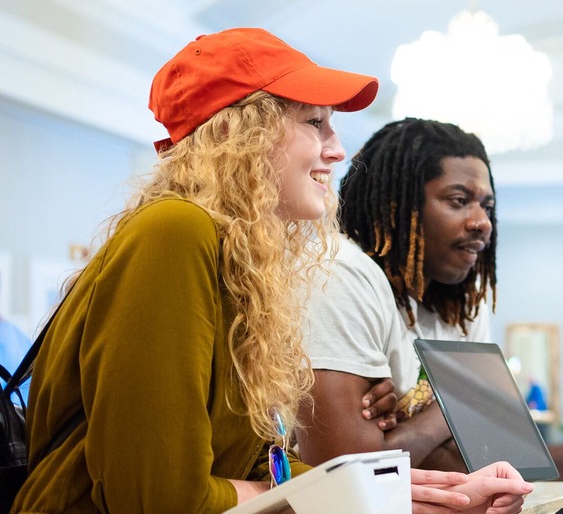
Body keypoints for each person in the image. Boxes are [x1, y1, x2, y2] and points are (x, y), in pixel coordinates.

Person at [14, 29, 531, 514]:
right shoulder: (174, 230)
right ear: (242, 131)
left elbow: (243, 472)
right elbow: (158, 498)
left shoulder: (241, 264)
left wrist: (408, 496)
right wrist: (331, 493)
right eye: (315, 123)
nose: (337, 148)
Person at [299, 118, 498, 471]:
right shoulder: (341, 275)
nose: (482, 222)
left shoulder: (464, 303)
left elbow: (496, 455)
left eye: (487, 206)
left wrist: (404, 436)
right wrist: (461, 402)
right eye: (459, 200)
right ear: (398, 205)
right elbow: (348, 471)